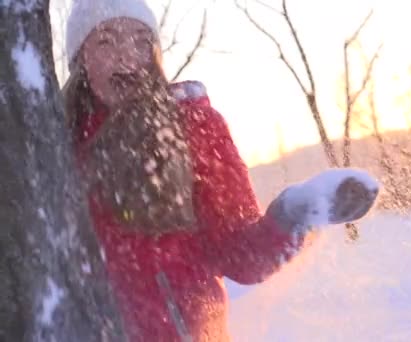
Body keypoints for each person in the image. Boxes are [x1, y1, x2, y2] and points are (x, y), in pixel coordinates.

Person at [63, 1, 380, 341]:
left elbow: (241, 256)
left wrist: (294, 213)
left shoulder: (194, 126)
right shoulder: (53, 144)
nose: (127, 57)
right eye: (106, 42)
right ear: (80, 58)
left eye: (142, 41)